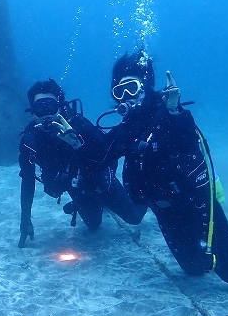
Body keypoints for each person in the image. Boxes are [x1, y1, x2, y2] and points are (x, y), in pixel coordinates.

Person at [101, 50, 228, 283]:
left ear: (145, 86)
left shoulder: (168, 114)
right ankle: (224, 241)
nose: (126, 96)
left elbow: (188, 141)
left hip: (195, 202)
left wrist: (175, 111)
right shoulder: (127, 128)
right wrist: (73, 139)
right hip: (165, 210)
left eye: (132, 88)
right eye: (119, 91)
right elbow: (99, 155)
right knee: (194, 269)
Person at [18, 79, 146, 248]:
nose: (46, 114)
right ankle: (96, 202)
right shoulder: (30, 140)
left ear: (61, 107)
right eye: (39, 109)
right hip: (76, 186)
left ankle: (144, 193)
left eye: (51, 107)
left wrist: (77, 145)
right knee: (94, 225)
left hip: (99, 176)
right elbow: (28, 179)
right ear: (32, 112)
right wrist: (25, 218)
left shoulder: (79, 125)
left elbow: (106, 154)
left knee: (134, 218)